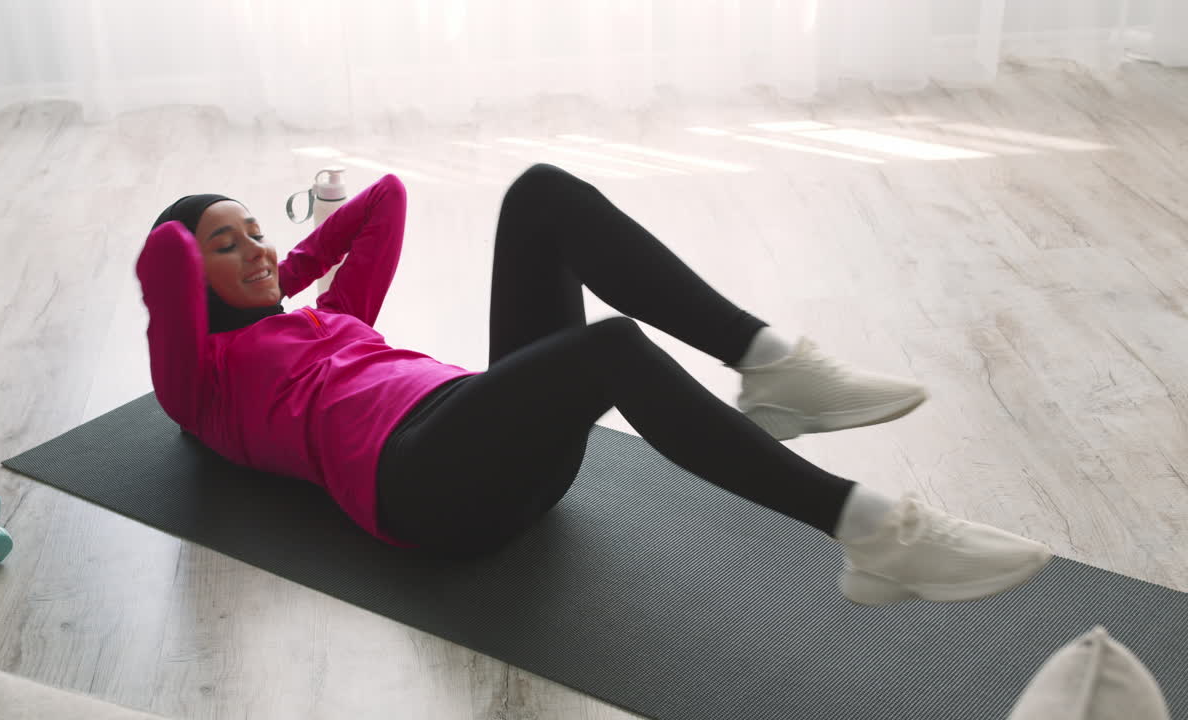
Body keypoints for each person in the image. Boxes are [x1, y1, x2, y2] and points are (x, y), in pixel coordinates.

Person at [137, 163, 1051, 606]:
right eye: (232, 243)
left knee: (539, 195)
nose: (256, 247)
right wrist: (238, 259)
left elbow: (384, 200)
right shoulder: (202, 385)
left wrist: (277, 271)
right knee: (611, 347)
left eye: (259, 229)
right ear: (191, 291)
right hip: (425, 489)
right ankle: (871, 529)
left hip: (493, 446)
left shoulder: (330, 319)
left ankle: (769, 361)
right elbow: (167, 253)